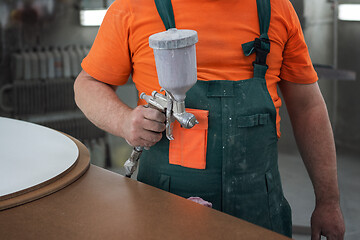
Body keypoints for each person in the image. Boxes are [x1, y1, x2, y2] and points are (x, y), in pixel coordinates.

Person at [74, 0, 345, 238]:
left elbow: (308, 108)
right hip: (166, 204)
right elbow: (88, 84)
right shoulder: (134, 7)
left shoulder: (276, 8)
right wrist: (123, 121)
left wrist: (329, 201)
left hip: (259, 209)